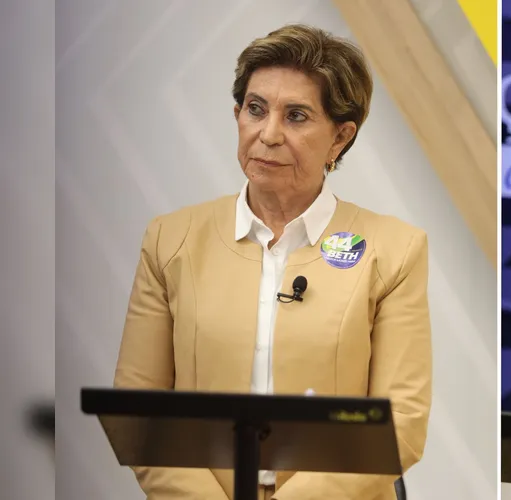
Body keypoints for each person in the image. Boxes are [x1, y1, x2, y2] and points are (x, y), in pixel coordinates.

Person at [112, 24, 432, 500]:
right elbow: (137, 411)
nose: (268, 133)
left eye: (297, 116)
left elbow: (399, 424)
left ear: (340, 137)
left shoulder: (395, 249)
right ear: (238, 114)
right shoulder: (169, 239)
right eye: (256, 109)